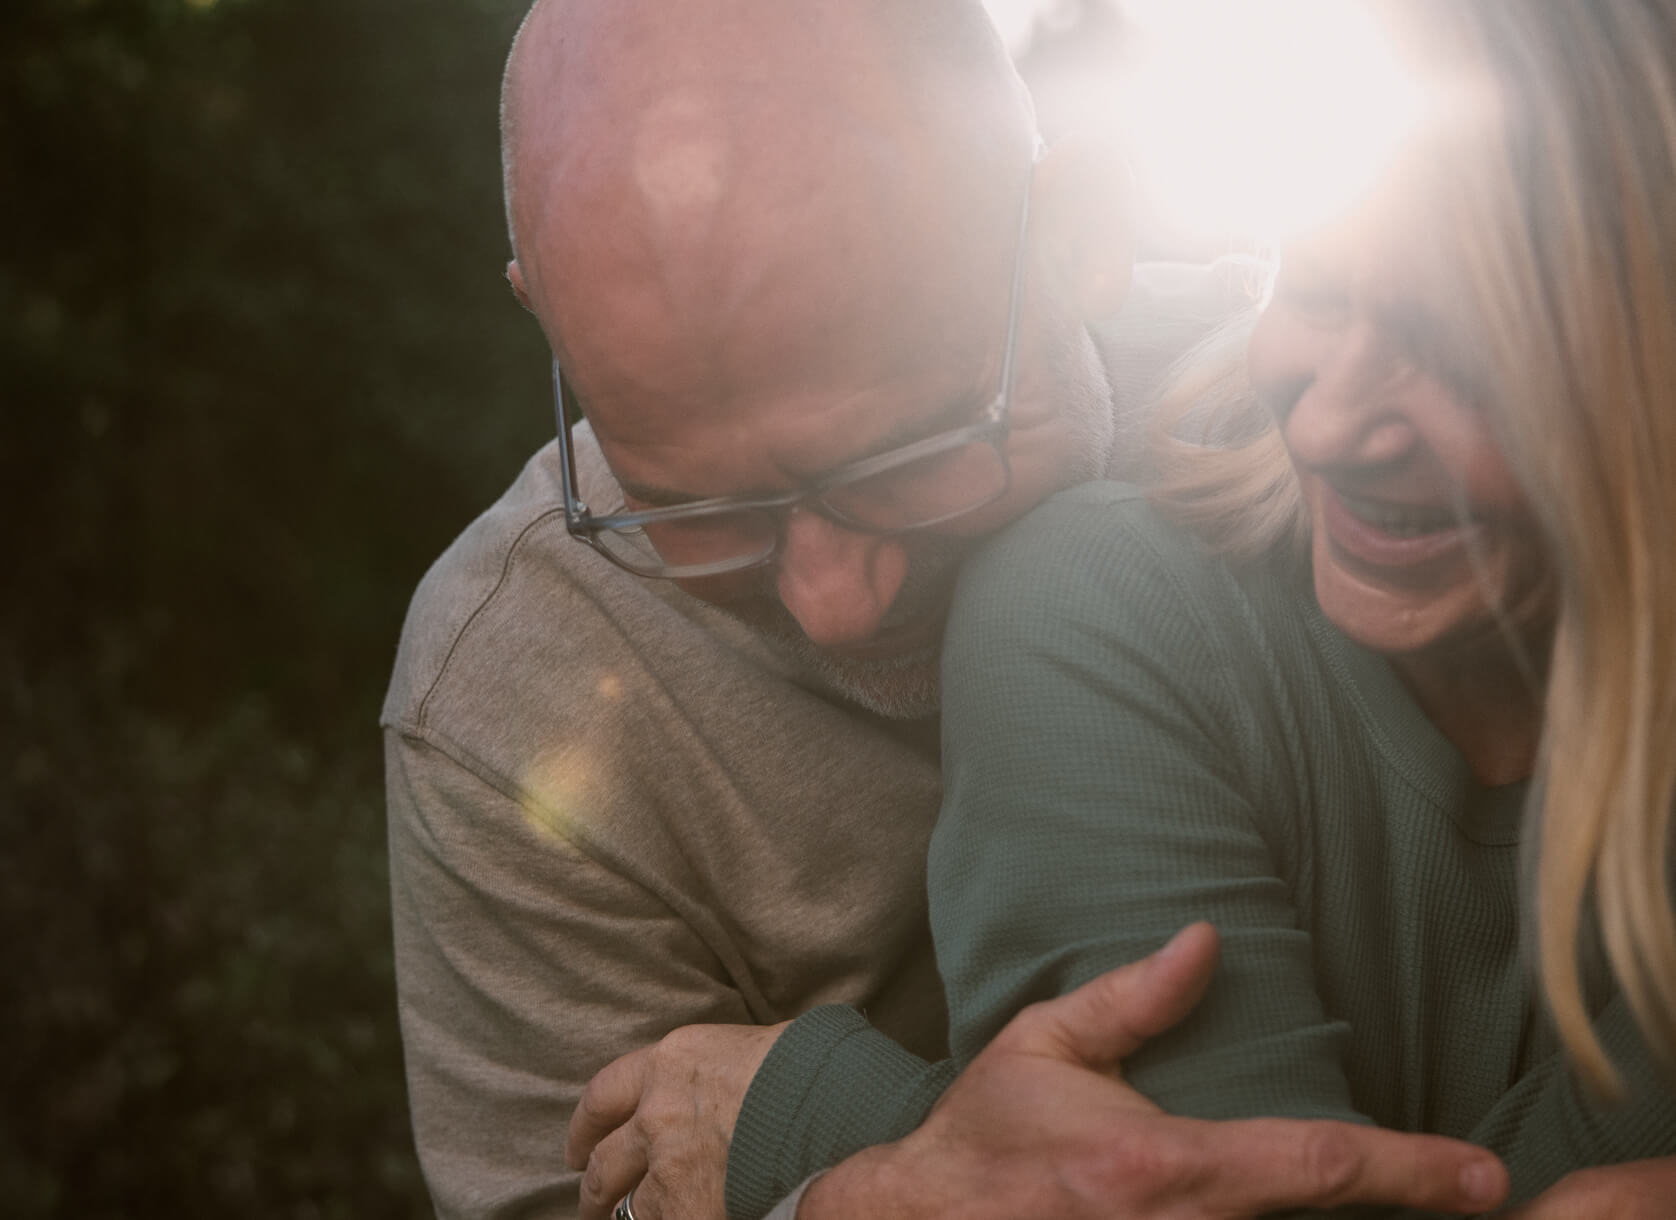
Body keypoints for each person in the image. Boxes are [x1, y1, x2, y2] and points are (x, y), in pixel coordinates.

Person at [381, 0, 1517, 1217]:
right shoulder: (503, 704)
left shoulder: (1337, 431)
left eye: (903, 456)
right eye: (693, 510)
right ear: (549, 321)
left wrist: (843, 1140)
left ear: (1079, 233)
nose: (830, 603)